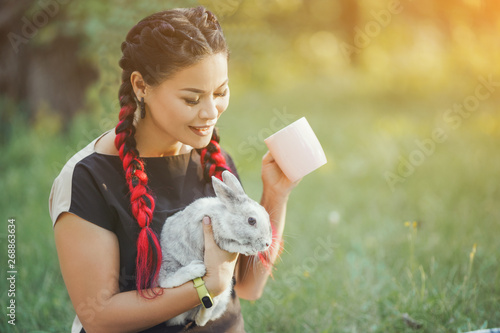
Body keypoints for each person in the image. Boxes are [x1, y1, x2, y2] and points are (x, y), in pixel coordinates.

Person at [49, 6, 298, 333]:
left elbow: (249, 287)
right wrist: (205, 287)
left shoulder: (214, 163)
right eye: (192, 99)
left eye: (220, 92)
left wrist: (276, 194)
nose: (211, 112)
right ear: (141, 86)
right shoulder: (89, 178)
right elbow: (99, 318)